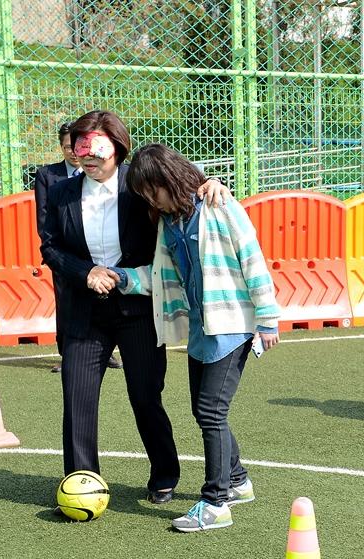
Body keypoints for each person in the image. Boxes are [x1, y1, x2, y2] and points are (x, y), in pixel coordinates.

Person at [39, 110, 228, 506]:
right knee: (77, 398)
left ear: (118, 149)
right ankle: (81, 482)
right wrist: (85, 271)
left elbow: (177, 183)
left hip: (138, 309)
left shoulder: (139, 187)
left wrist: (210, 183)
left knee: (145, 396)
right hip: (83, 310)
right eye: (81, 152)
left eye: (97, 153)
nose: (88, 160)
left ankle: (164, 472)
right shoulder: (60, 193)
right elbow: (50, 246)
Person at [107, 143, 281, 532]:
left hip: (232, 325)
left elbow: (252, 258)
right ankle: (238, 481)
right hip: (202, 328)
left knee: (210, 412)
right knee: (204, 411)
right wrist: (123, 278)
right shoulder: (169, 223)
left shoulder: (219, 206)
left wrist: (267, 319)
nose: (152, 200)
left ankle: (215, 502)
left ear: (170, 179)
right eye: (145, 195)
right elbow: (159, 275)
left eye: (154, 190)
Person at [34, 120, 121, 374]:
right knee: (66, 303)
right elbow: (43, 219)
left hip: (104, 259)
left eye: (79, 146)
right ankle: (67, 353)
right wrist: (63, 256)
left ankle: (107, 350)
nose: (75, 153)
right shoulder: (49, 176)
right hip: (66, 256)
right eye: (69, 147)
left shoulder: (118, 180)